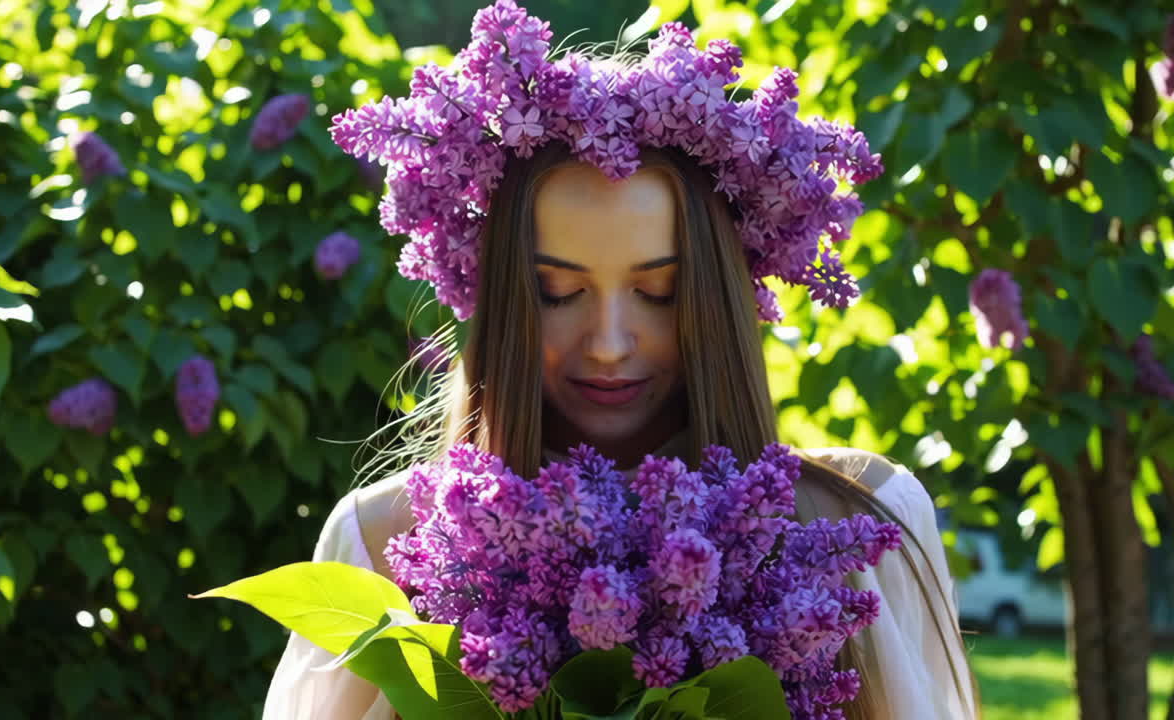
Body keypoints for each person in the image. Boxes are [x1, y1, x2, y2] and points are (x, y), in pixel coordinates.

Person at [265, 2, 979, 718]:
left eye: (658, 292)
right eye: (557, 292)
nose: (608, 342)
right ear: (506, 301)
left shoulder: (861, 525)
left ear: (718, 301)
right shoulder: (385, 538)